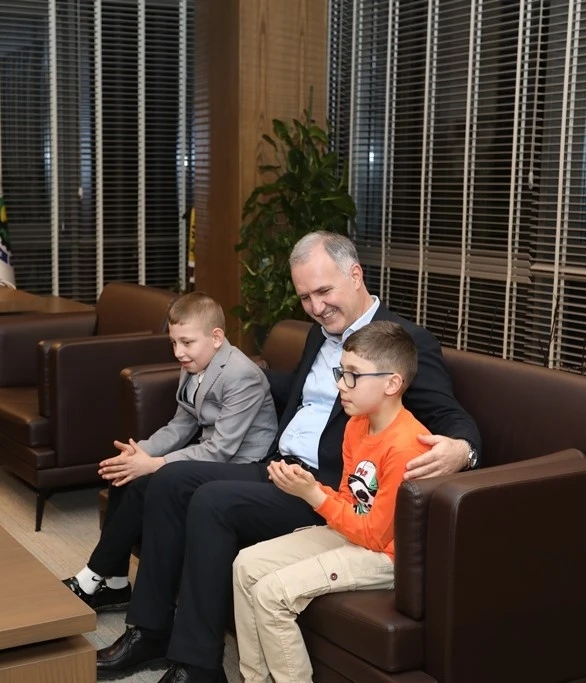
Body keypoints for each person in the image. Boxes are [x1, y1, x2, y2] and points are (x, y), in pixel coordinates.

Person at [95, 231, 482, 683]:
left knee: (212, 503)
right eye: (305, 298)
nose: (316, 307)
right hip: (278, 464)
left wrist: (463, 448)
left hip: (326, 487)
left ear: (355, 275)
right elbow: (299, 393)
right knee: (165, 480)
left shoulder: (402, 342)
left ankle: (198, 666)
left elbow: (451, 415)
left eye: (324, 291)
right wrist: (240, 374)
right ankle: (151, 631)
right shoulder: (320, 335)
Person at [233, 320, 427, 683]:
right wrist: (308, 487)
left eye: (353, 375)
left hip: (386, 556)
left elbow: (375, 535)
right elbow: (349, 499)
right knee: (245, 565)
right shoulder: (356, 424)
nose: (340, 384)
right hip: (354, 533)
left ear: (392, 383)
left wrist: (314, 495)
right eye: (341, 372)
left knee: (273, 593)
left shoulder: (406, 446)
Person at [63, 291, 278, 613]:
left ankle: (91, 576)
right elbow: (181, 425)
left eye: (186, 342)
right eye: (174, 343)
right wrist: (139, 453)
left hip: (241, 464)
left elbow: (221, 450)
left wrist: (155, 464)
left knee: (145, 482)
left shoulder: (242, 375)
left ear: (216, 337)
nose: (178, 352)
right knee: (125, 473)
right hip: (209, 453)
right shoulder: (193, 362)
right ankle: (117, 585)